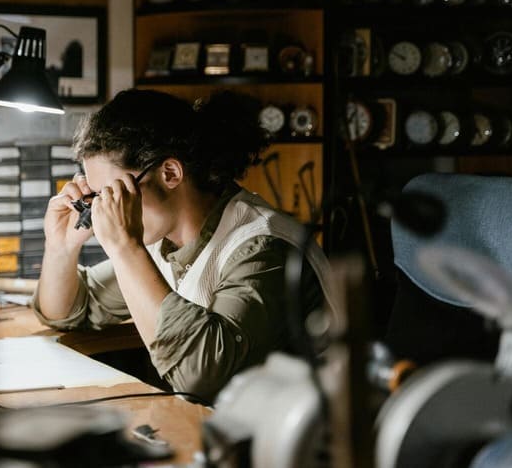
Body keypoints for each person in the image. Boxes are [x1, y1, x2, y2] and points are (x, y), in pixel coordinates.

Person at [32, 89, 337, 402]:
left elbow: (200, 377)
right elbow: (67, 311)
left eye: (111, 194)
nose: (101, 211)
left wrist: (125, 248)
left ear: (170, 173)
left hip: (309, 440)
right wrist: (61, 248)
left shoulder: (261, 246)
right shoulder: (161, 243)